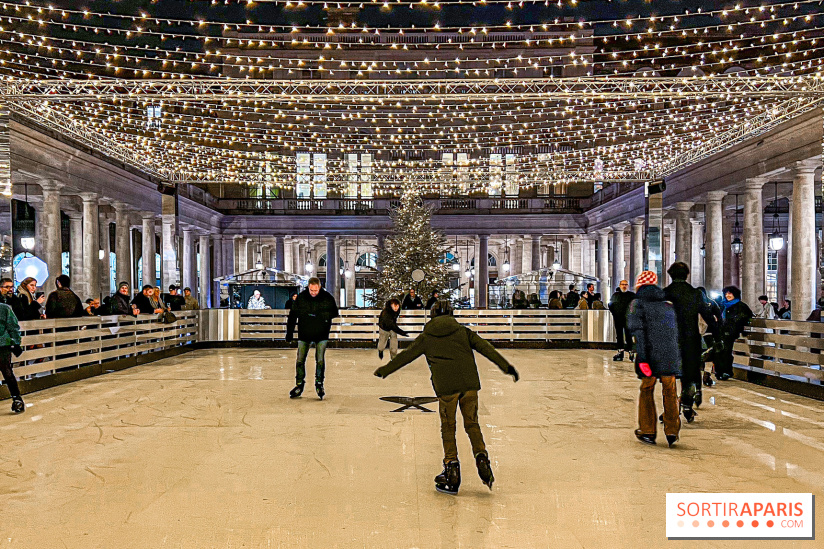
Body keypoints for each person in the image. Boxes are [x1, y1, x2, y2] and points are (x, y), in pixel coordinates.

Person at [374, 300, 519, 494]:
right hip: (469, 386)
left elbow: (406, 356)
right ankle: (481, 457)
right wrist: (506, 367)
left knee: (448, 428)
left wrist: (386, 370)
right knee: (472, 425)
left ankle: (452, 471)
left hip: (447, 389)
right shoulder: (463, 332)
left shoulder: (427, 336)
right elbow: (486, 349)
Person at [627, 271, 682, 447]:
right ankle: (672, 430)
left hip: (650, 355)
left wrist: (642, 358)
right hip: (670, 355)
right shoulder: (668, 304)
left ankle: (647, 430)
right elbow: (675, 332)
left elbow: (638, 333)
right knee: (670, 390)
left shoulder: (637, 304)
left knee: (646, 389)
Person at [663, 262, 720, 422]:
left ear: (670, 274)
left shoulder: (665, 293)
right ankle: (686, 405)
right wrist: (717, 336)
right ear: (687, 275)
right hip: (690, 340)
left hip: (670, 340)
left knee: (670, 377)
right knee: (689, 376)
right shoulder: (695, 294)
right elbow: (709, 316)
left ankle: (672, 408)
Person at [285, 277, 339, 400]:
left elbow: (334, 312)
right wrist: (289, 333)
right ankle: (299, 384)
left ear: (319, 287)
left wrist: (324, 317)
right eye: (311, 290)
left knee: (320, 360)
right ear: (308, 287)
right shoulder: (302, 298)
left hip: (321, 333)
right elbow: (292, 315)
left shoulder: (327, 297)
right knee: (300, 360)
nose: (313, 293)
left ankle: (319, 383)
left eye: (315, 290)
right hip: (304, 333)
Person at [713, 285, 753, 381]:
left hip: (730, 332)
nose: (727, 295)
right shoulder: (722, 305)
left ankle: (726, 372)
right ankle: (719, 372)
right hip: (720, 331)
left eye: (730, 293)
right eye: (726, 293)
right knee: (718, 351)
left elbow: (748, 315)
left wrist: (737, 322)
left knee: (726, 351)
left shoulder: (741, 306)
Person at [0, 300, 24, 413]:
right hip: (3, 344)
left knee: (7, 373)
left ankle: (17, 398)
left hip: (3, 345)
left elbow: (13, 327)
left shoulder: (4, 309)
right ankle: (17, 399)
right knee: (7, 372)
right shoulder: (5, 309)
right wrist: (16, 342)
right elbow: (13, 327)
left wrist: (15, 342)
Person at [608, 280, 636, 362]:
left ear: (628, 286)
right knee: (619, 335)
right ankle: (620, 352)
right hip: (618, 318)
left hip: (628, 319)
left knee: (629, 335)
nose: (624, 286)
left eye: (625, 284)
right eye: (622, 284)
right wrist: (615, 314)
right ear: (620, 285)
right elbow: (610, 305)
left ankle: (631, 352)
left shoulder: (632, 295)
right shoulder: (615, 295)